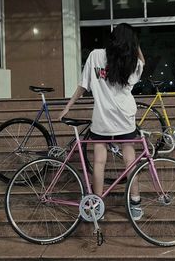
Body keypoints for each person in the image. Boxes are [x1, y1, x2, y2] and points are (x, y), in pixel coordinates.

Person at [59, 23, 145, 220]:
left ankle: (97, 205)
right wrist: (136, 44)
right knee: (130, 162)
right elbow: (143, 61)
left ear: (113, 38)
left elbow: (83, 85)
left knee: (99, 162)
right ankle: (135, 202)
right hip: (125, 119)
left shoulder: (95, 56)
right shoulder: (132, 62)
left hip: (102, 119)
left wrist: (68, 106)